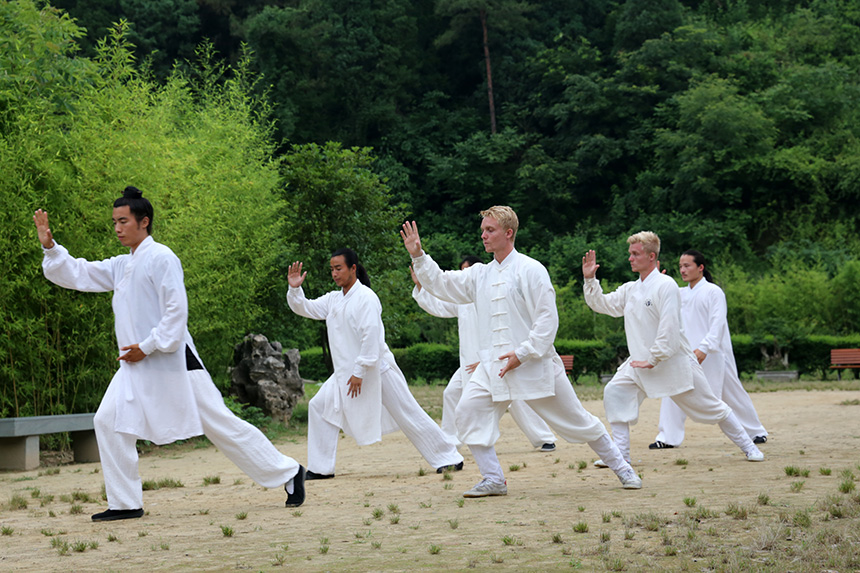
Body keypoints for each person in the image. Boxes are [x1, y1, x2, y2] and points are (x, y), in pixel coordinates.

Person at [33, 186, 305, 522]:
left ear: (143, 221)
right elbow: (80, 273)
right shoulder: (122, 264)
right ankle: (125, 503)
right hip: (134, 363)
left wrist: (147, 347)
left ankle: (289, 471)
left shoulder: (162, 257)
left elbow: (176, 313)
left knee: (220, 424)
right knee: (107, 421)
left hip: (174, 361)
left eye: (123, 221)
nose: (117, 228)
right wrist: (50, 246)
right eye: (114, 222)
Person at [402, 206, 641, 498]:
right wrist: (418, 255)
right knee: (466, 411)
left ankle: (623, 467)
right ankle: (493, 479)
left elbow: (546, 320)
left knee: (578, 421)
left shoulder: (531, 269)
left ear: (509, 233)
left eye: (490, 230)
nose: (483, 235)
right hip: (493, 369)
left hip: (534, 365)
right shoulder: (478, 275)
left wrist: (524, 353)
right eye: (483, 230)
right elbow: (441, 283)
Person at [582, 232, 764, 466]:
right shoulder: (630, 289)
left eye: (635, 254)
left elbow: (669, 328)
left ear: (651, 257)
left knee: (711, 407)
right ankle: (620, 456)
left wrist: (654, 357)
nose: (630, 258)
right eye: (630, 254)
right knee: (615, 393)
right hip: (639, 363)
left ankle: (749, 447)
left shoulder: (666, 286)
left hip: (674, 363)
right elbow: (603, 304)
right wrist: (590, 280)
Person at [286, 249, 464, 479]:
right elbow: (306, 308)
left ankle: (449, 458)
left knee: (408, 413)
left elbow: (371, 337)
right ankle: (320, 469)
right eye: (331, 269)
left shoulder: (367, 298)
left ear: (353, 268)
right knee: (319, 406)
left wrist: (360, 371)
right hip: (345, 373)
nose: (334, 273)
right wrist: (295, 288)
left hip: (378, 369)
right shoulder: (334, 300)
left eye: (338, 268)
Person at [410, 256, 557, 453]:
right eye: (461, 271)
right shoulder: (461, 301)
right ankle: (450, 443)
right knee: (452, 393)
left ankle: (544, 437)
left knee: (516, 400)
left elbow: (499, 331)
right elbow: (438, 307)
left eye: (466, 270)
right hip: (469, 364)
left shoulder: (491, 296)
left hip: (496, 359)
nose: (464, 275)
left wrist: (486, 359)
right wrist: (421, 287)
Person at [650, 250, 768, 449]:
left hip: (714, 354)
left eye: (687, 266)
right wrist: (659, 284)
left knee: (732, 393)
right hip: (686, 353)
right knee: (673, 390)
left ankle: (756, 431)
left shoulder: (714, 292)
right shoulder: (680, 293)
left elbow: (718, 323)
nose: (682, 270)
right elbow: (659, 304)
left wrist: (705, 348)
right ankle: (667, 437)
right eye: (680, 266)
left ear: (701, 267)